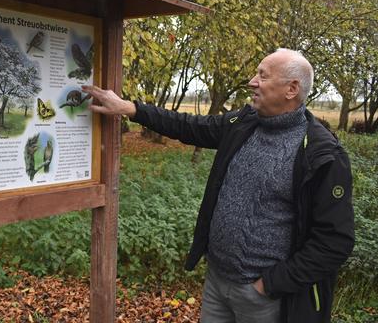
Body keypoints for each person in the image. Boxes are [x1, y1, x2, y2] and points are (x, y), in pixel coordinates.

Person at [82, 48, 354, 323]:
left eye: (262, 75)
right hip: (217, 282)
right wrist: (131, 108)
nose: (252, 82)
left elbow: (334, 241)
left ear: (291, 89)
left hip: (266, 300)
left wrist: (269, 285)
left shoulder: (322, 155)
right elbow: (190, 126)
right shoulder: (244, 122)